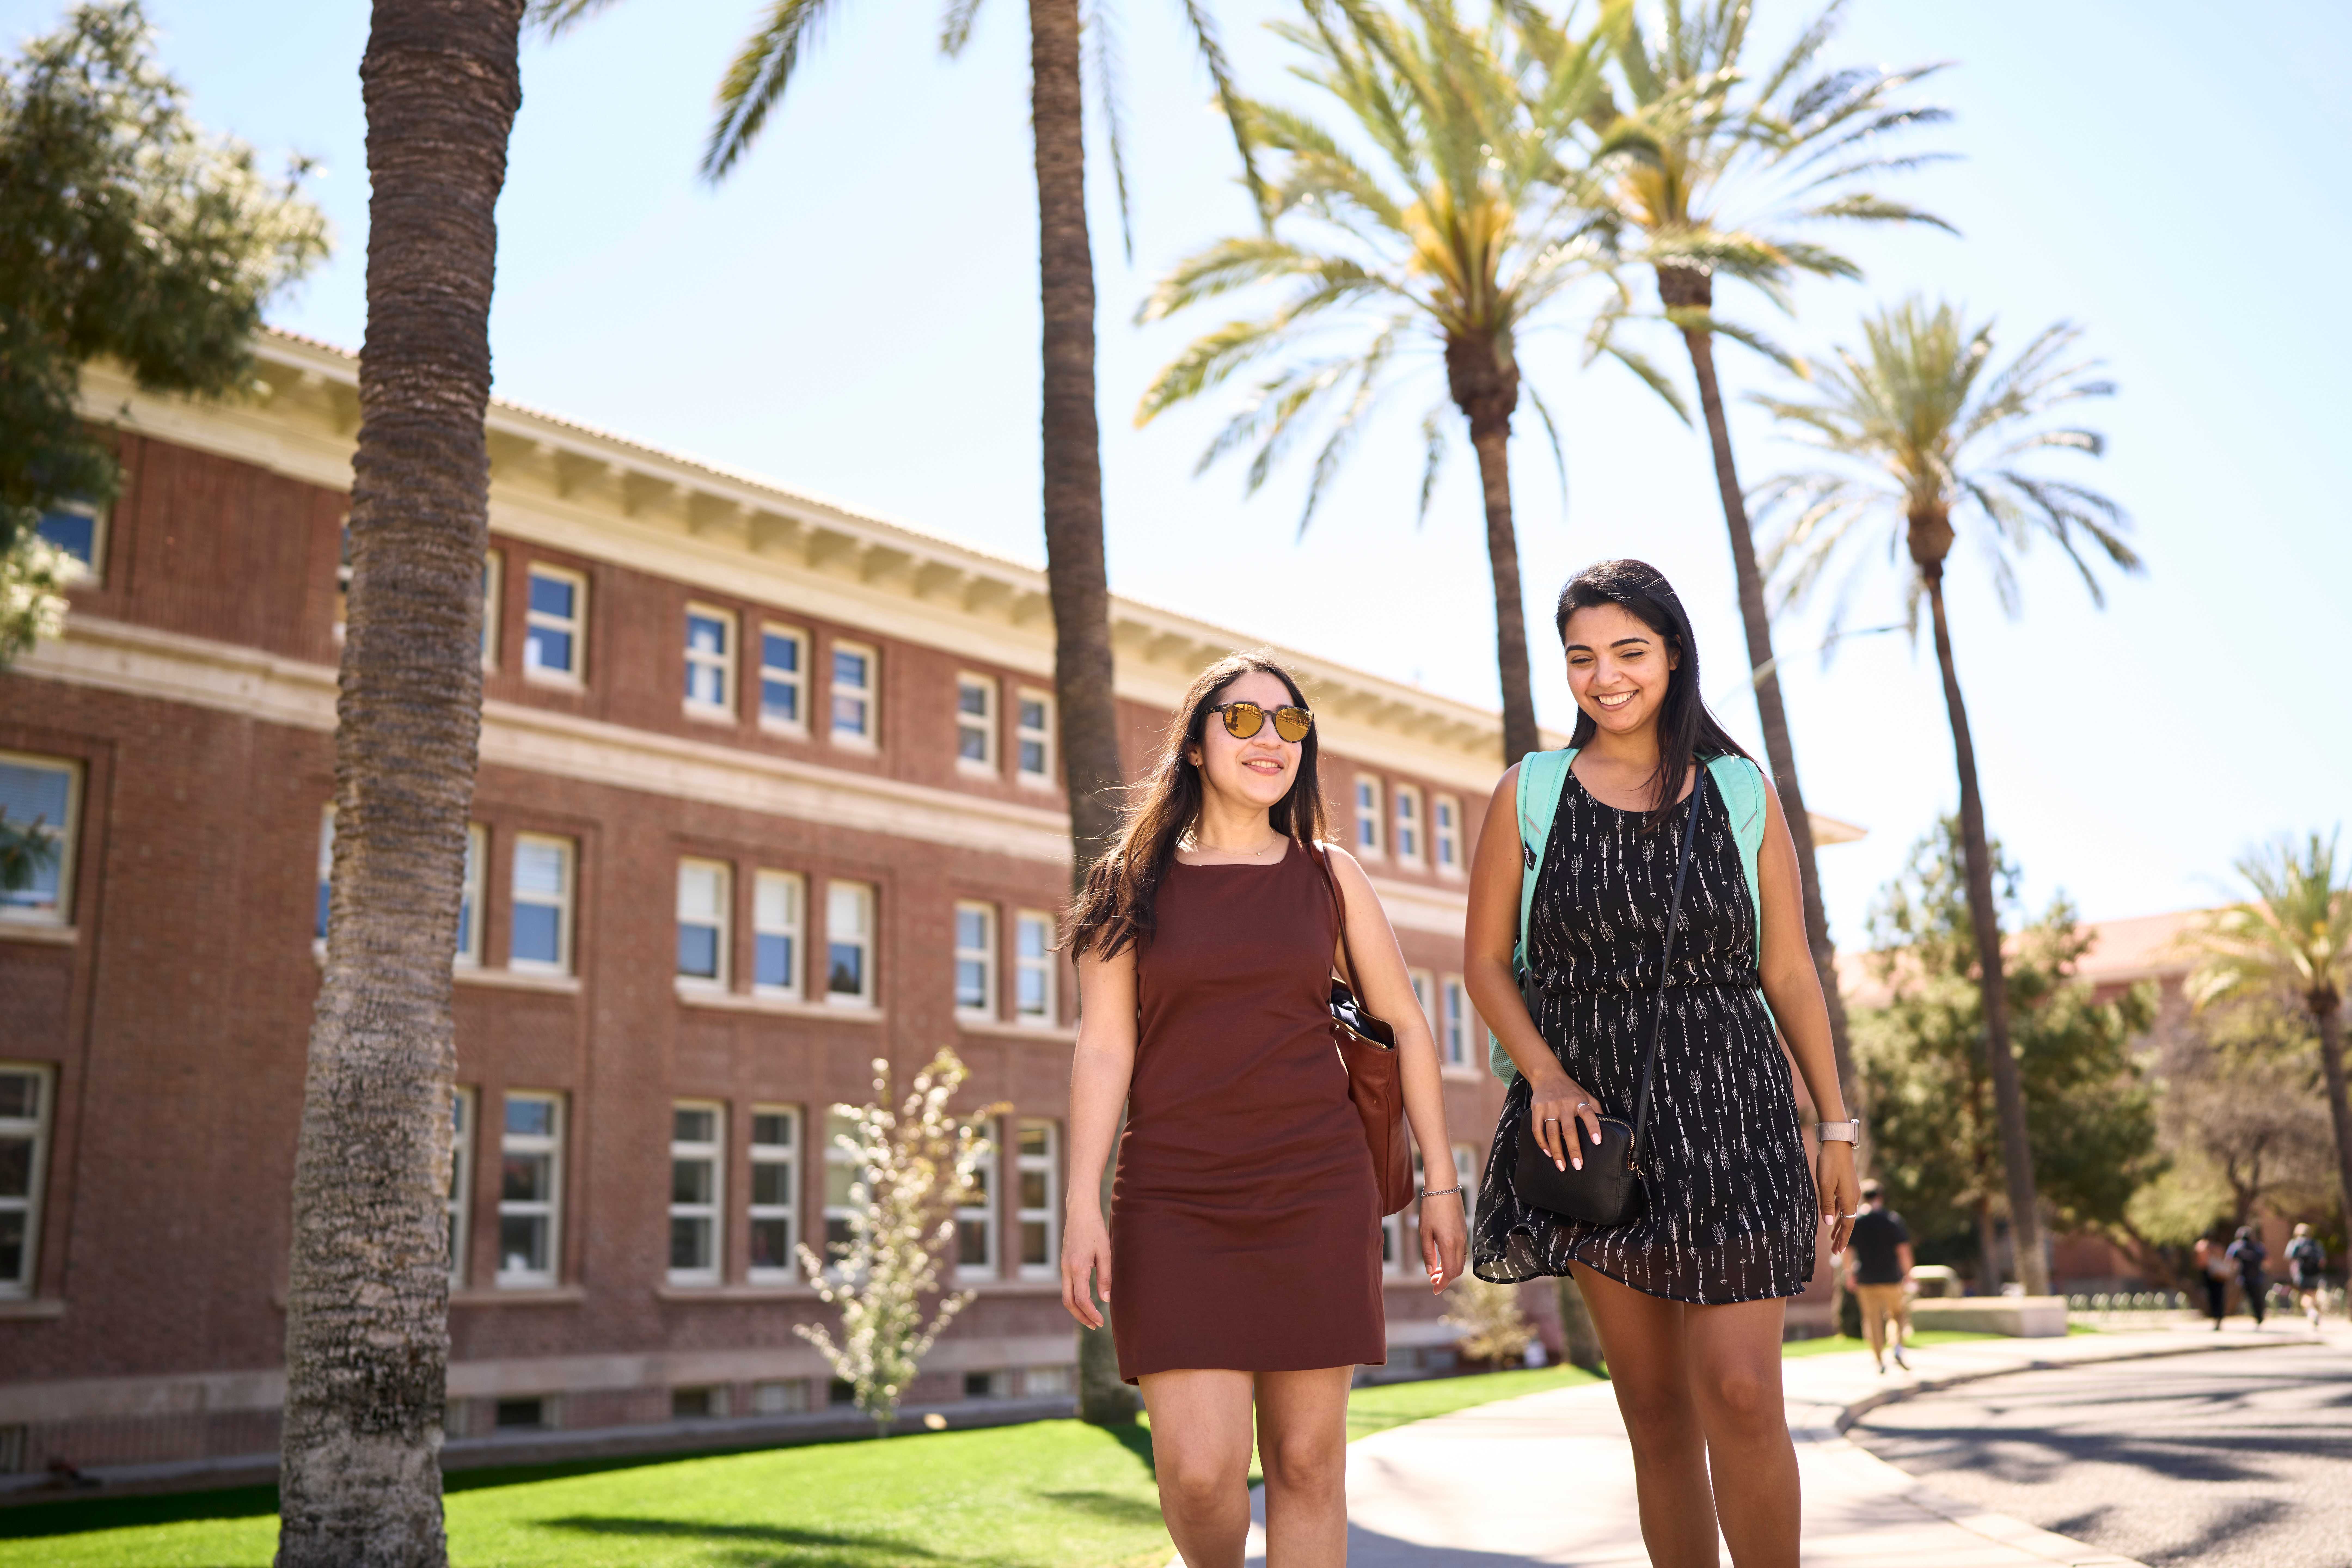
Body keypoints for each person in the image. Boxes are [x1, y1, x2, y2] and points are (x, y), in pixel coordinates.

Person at [1466, 561, 1858, 1568]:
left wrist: (1836, 1122)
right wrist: (1544, 1074)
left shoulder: (1736, 790)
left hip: (1736, 1109)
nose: (1605, 676)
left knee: (1738, 1387)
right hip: (1597, 1125)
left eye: (1628, 651)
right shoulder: (1530, 793)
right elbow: (1482, 964)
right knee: (1650, 1406)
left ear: (1672, 654)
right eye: (1582, 657)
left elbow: (1788, 968)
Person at [1060, 652, 1468, 1568]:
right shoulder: (1128, 885)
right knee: (1200, 1477)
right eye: (1243, 721)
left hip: (1316, 1189)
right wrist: (1082, 1202)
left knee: (1306, 1460)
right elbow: (1103, 1047)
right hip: (1174, 1198)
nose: (1271, 740)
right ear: (1196, 747)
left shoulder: (1330, 876)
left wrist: (1442, 1182)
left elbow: (1404, 1024)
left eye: (1290, 722)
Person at [1845, 1180, 1914, 1373]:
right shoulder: (1892, 1220)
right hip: (1892, 1279)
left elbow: (1848, 1252)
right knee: (1898, 1315)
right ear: (1881, 1197)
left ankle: (1879, 1360)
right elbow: (1903, 1251)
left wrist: (1849, 1275)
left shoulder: (1857, 1222)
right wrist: (1909, 1274)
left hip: (1866, 1280)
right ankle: (1897, 1346)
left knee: (1872, 1320)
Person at [2284, 1223, 2328, 1330]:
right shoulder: (2316, 1244)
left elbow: (2289, 1257)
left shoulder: (2295, 1243)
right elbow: (2323, 1262)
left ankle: (2312, 1313)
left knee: (2305, 1296)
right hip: (2316, 1274)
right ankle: (2317, 1313)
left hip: (2302, 1275)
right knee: (2313, 1295)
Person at [2227, 1225, 2269, 1328]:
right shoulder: (2258, 1247)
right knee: (2257, 1299)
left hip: (2242, 1278)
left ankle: (2226, 1315)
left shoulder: (2236, 1247)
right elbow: (2267, 1263)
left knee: (2236, 1298)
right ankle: (2259, 1318)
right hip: (2257, 1278)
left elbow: (2229, 1261)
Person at [2193, 1231, 2231, 1329]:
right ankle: (2219, 1317)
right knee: (2219, 1296)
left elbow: (2200, 1262)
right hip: (2219, 1275)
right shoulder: (2218, 1247)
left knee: (2213, 1297)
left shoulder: (2202, 1246)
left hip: (2211, 1274)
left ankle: (2217, 1317)